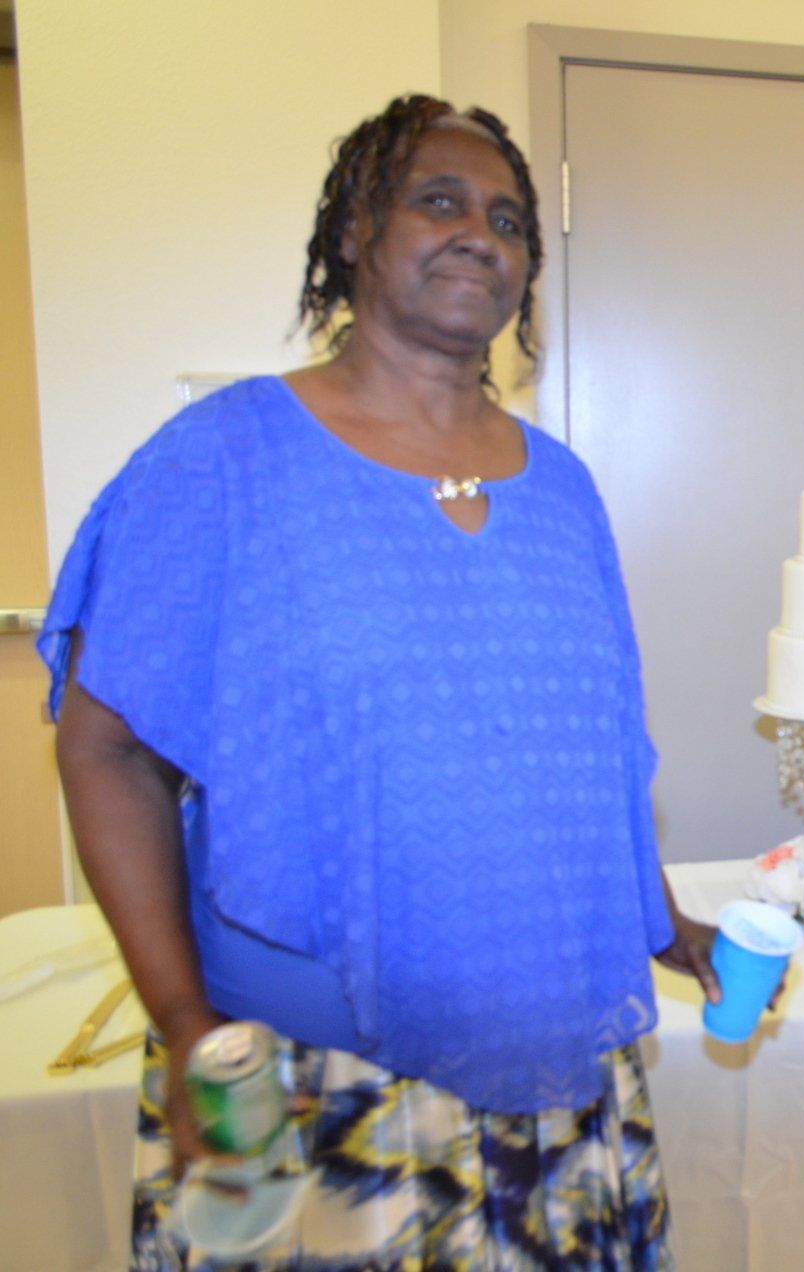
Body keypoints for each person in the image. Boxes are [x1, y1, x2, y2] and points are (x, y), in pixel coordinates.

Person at [43, 94, 717, 1268]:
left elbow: (583, 755)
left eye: (508, 220)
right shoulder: (224, 462)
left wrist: (655, 918)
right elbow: (104, 749)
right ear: (354, 230)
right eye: (438, 200)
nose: (479, 235)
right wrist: (185, 1020)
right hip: (317, 1084)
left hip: (554, 1069)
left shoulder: (562, 490)